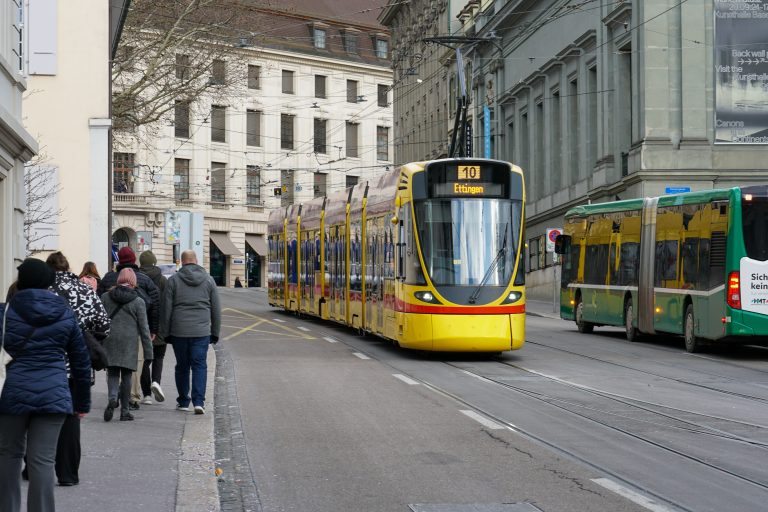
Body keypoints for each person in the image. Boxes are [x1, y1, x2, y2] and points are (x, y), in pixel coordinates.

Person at [0, 258, 91, 512]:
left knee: (8, 455)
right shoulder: (65, 314)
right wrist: (81, 403)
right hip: (53, 394)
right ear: (48, 284)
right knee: (42, 461)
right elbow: (81, 362)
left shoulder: (4, 313)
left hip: (11, 394)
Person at [46, 252, 111, 486]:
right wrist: (88, 338)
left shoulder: (43, 292)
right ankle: (68, 474)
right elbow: (104, 325)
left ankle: (33, 467)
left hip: (46, 364)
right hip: (76, 365)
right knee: (71, 420)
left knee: (38, 417)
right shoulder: (84, 290)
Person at [159, 250, 221, 415]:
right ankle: (199, 402)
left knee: (182, 366)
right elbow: (216, 309)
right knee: (200, 365)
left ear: (182, 262)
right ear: (196, 260)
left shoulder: (173, 281)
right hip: (201, 331)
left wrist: (165, 332)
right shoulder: (209, 280)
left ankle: (183, 401)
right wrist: (215, 332)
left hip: (179, 331)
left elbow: (166, 309)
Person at [99, 247, 159, 410]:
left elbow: (100, 318)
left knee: (112, 372)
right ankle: (126, 408)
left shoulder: (105, 296)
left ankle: (112, 398)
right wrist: (149, 352)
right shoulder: (138, 300)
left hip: (110, 338)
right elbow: (144, 327)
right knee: (127, 374)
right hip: (131, 340)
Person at [137, 250, 167, 404]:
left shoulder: (137, 278)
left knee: (144, 361)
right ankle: (156, 382)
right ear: (155, 262)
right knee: (159, 357)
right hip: (160, 325)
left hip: (142, 325)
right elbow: (167, 303)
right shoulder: (162, 280)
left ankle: (147, 394)